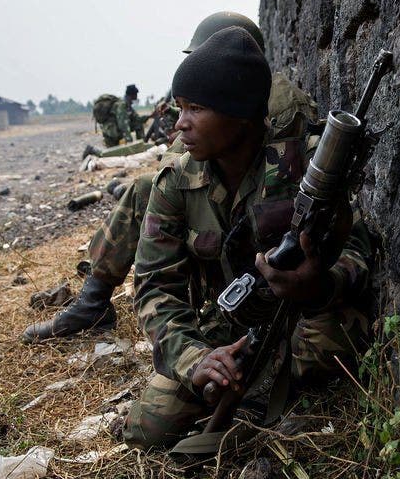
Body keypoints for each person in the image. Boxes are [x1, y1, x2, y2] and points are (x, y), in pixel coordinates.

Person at [122, 26, 372, 449]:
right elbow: (154, 287)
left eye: (195, 108)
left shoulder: (309, 162)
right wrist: (196, 360)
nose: (180, 124)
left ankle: (267, 403)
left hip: (306, 313)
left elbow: (361, 247)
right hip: (232, 323)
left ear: (239, 111)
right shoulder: (175, 182)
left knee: (321, 355)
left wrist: (319, 286)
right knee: (148, 427)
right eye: (180, 107)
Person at [21, 12, 318, 343]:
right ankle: (93, 300)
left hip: (252, 230)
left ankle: (94, 301)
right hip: (230, 222)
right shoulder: (257, 91)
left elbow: (184, 167)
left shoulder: (259, 101)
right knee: (148, 188)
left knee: (146, 188)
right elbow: (177, 165)